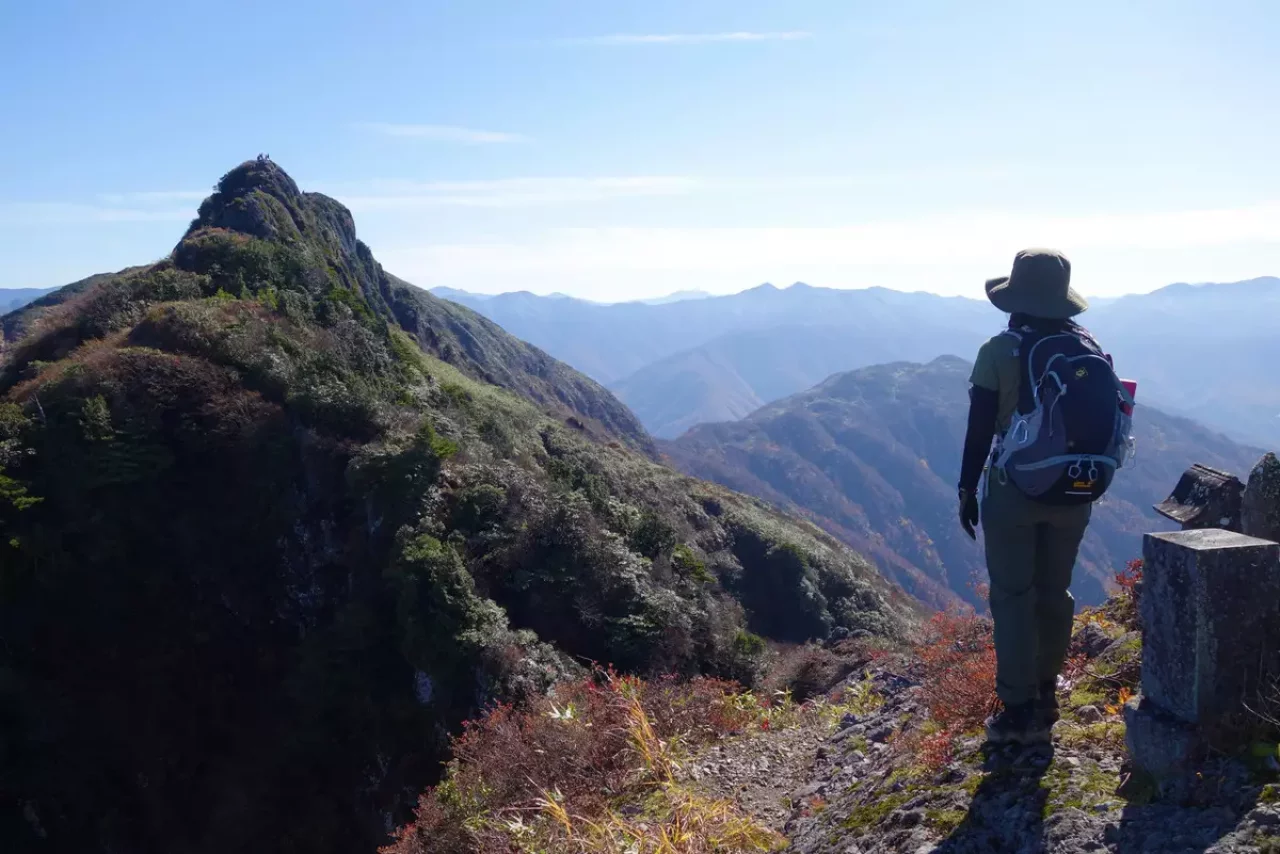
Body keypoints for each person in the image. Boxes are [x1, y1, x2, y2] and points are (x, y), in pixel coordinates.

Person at [958, 248, 1125, 746]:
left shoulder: (998, 351)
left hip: (1014, 492)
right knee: (1056, 591)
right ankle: (1048, 695)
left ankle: (1016, 709)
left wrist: (967, 490)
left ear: (1016, 297)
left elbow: (979, 431)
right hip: (1077, 489)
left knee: (1014, 596)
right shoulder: (1087, 345)